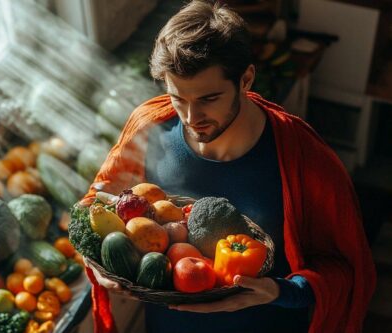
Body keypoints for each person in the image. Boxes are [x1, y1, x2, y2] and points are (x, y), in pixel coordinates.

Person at [82, 1, 376, 332]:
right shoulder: (149, 131)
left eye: (209, 99)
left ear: (246, 79)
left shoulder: (305, 159)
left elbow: (347, 269)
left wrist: (282, 291)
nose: (192, 119)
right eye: (179, 99)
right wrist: (98, 265)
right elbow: (98, 201)